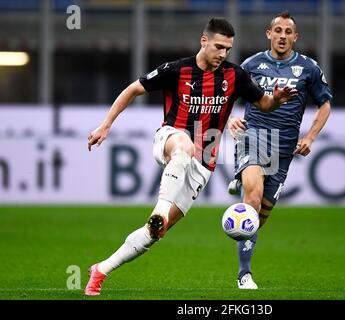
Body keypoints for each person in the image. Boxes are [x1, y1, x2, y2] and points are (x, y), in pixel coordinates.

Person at [84, 17, 297, 296]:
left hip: (204, 163)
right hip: (171, 139)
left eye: (228, 49)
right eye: (218, 47)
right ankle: (159, 211)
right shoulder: (177, 69)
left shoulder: (235, 76)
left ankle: (100, 270)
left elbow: (264, 103)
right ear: (204, 41)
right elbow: (134, 88)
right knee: (185, 147)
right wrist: (106, 124)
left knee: (153, 234)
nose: (222, 54)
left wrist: (276, 99)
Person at [227, 11, 332, 289]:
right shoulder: (251, 64)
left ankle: (240, 183)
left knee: (258, 219)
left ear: (295, 37)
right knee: (252, 198)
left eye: (288, 32)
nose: (283, 36)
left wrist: (310, 136)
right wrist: (229, 119)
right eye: (278, 31)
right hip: (253, 138)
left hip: (284, 149)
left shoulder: (309, 69)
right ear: (269, 34)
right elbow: (225, 96)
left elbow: (325, 104)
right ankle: (244, 275)